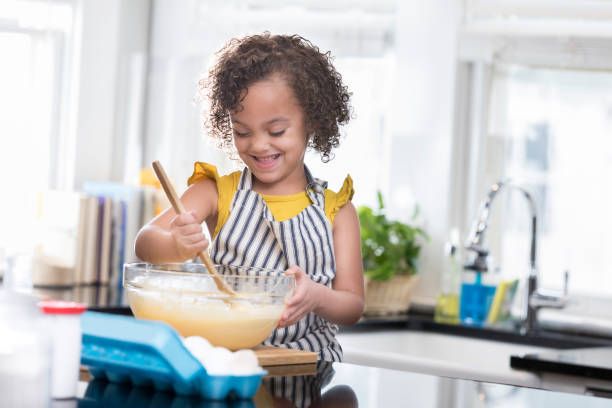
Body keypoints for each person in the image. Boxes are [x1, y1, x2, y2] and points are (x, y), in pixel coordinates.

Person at [135, 32, 364, 362]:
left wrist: (317, 297)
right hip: (229, 363)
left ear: (310, 122)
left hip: (309, 369)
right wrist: (176, 245)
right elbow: (145, 241)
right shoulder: (216, 192)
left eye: (276, 131)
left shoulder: (337, 211)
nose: (258, 145)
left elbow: (353, 305)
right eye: (242, 131)